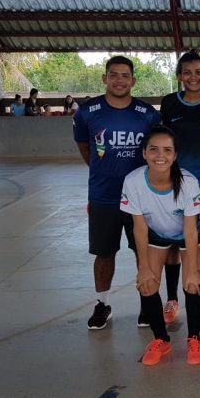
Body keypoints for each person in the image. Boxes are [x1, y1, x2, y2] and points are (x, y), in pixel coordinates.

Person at [73, 55, 161, 330]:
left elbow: (156, 151)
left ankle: (148, 304)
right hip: (104, 196)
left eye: (125, 76)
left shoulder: (148, 114)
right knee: (104, 253)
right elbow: (86, 149)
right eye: (114, 75)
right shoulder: (87, 112)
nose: (119, 80)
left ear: (133, 81)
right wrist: (103, 171)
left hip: (141, 198)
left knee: (144, 252)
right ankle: (102, 303)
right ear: (104, 78)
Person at [120, 126, 200, 366]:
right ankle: (161, 339)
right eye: (154, 149)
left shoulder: (188, 182)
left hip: (188, 234)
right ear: (144, 153)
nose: (160, 155)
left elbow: (190, 229)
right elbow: (139, 228)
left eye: (167, 150)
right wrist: (143, 267)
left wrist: (193, 270)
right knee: (146, 284)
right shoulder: (133, 181)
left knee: (192, 283)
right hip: (157, 235)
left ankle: (194, 338)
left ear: (175, 155)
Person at [159, 52, 200, 328]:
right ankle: (172, 298)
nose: (193, 77)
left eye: (198, 72)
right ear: (179, 76)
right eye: (187, 72)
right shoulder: (169, 103)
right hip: (179, 184)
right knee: (176, 242)